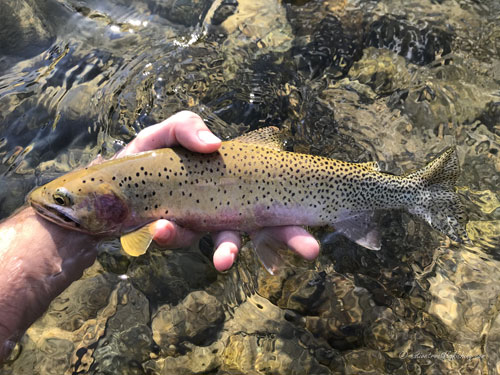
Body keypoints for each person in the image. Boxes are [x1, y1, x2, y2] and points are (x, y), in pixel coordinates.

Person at [0, 111, 319, 361]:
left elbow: (133, 245)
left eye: (62, 200)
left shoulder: (125, 190)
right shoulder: (120, 190)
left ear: (109, 200)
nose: (44, 206)